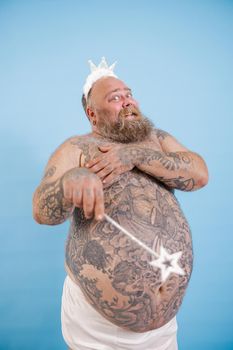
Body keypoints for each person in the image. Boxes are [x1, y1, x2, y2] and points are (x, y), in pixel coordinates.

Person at [33, 57, 208, 350]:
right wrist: (70, 182)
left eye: (129, 94)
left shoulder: (157, 139)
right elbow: (41, 210)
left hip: (164, 330)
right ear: (92, 115)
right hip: (97, 328)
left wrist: (137, 156)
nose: (127, 102)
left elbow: (199, 173)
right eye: (115, 98)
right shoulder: (77, 148)